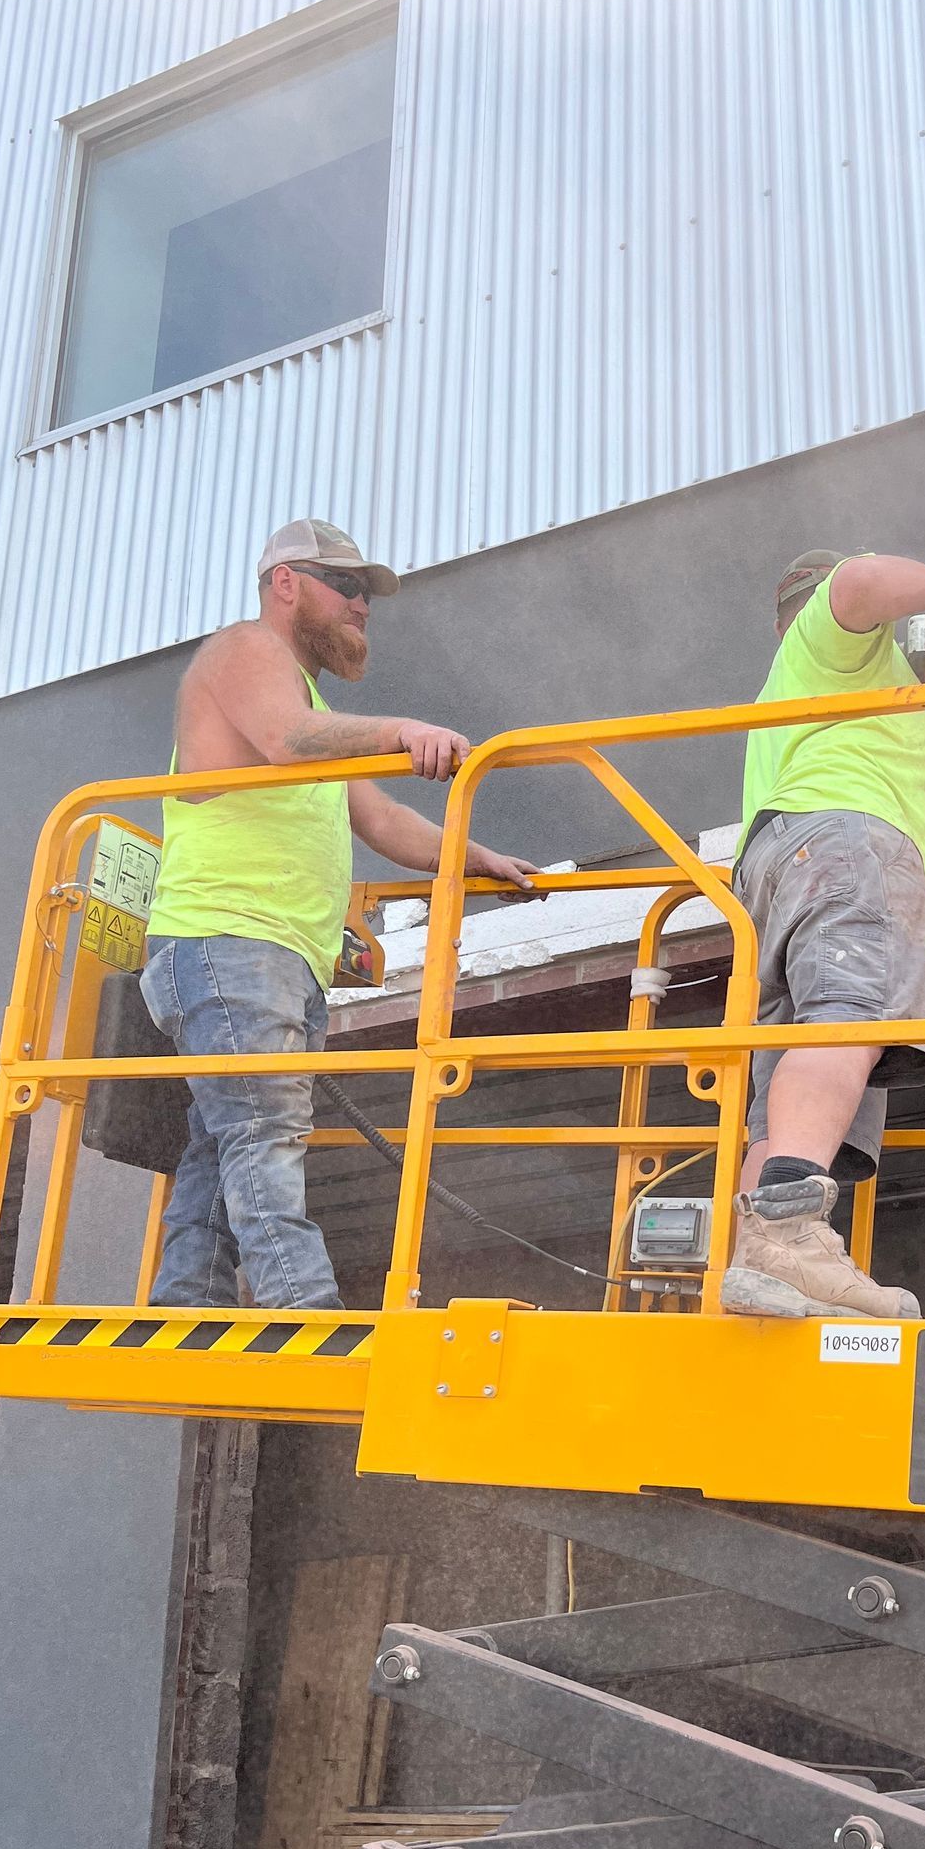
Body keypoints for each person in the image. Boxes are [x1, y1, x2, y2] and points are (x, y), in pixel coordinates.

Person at [140, 518, 535, 1310]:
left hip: (269, 954)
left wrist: (477, 857)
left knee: (226, 1143)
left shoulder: (310, 705)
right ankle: (305, 1311)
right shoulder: (245, 649)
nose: (362, 606)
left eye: (366, 593)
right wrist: (401, 729)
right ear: (286, 583)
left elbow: (382, 818)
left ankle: (187, 1309)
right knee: (264, 1132)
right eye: (346, 586)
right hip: (230, 941)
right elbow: (286, 738)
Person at [721, 549, 925, 1322]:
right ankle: (789, 1233)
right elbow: (858, 581)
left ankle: (768, 1265)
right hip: (847, 849)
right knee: (849, 1015)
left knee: (788, 1082)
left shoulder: (803, 697)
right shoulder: (835, 640)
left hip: (788, 870)